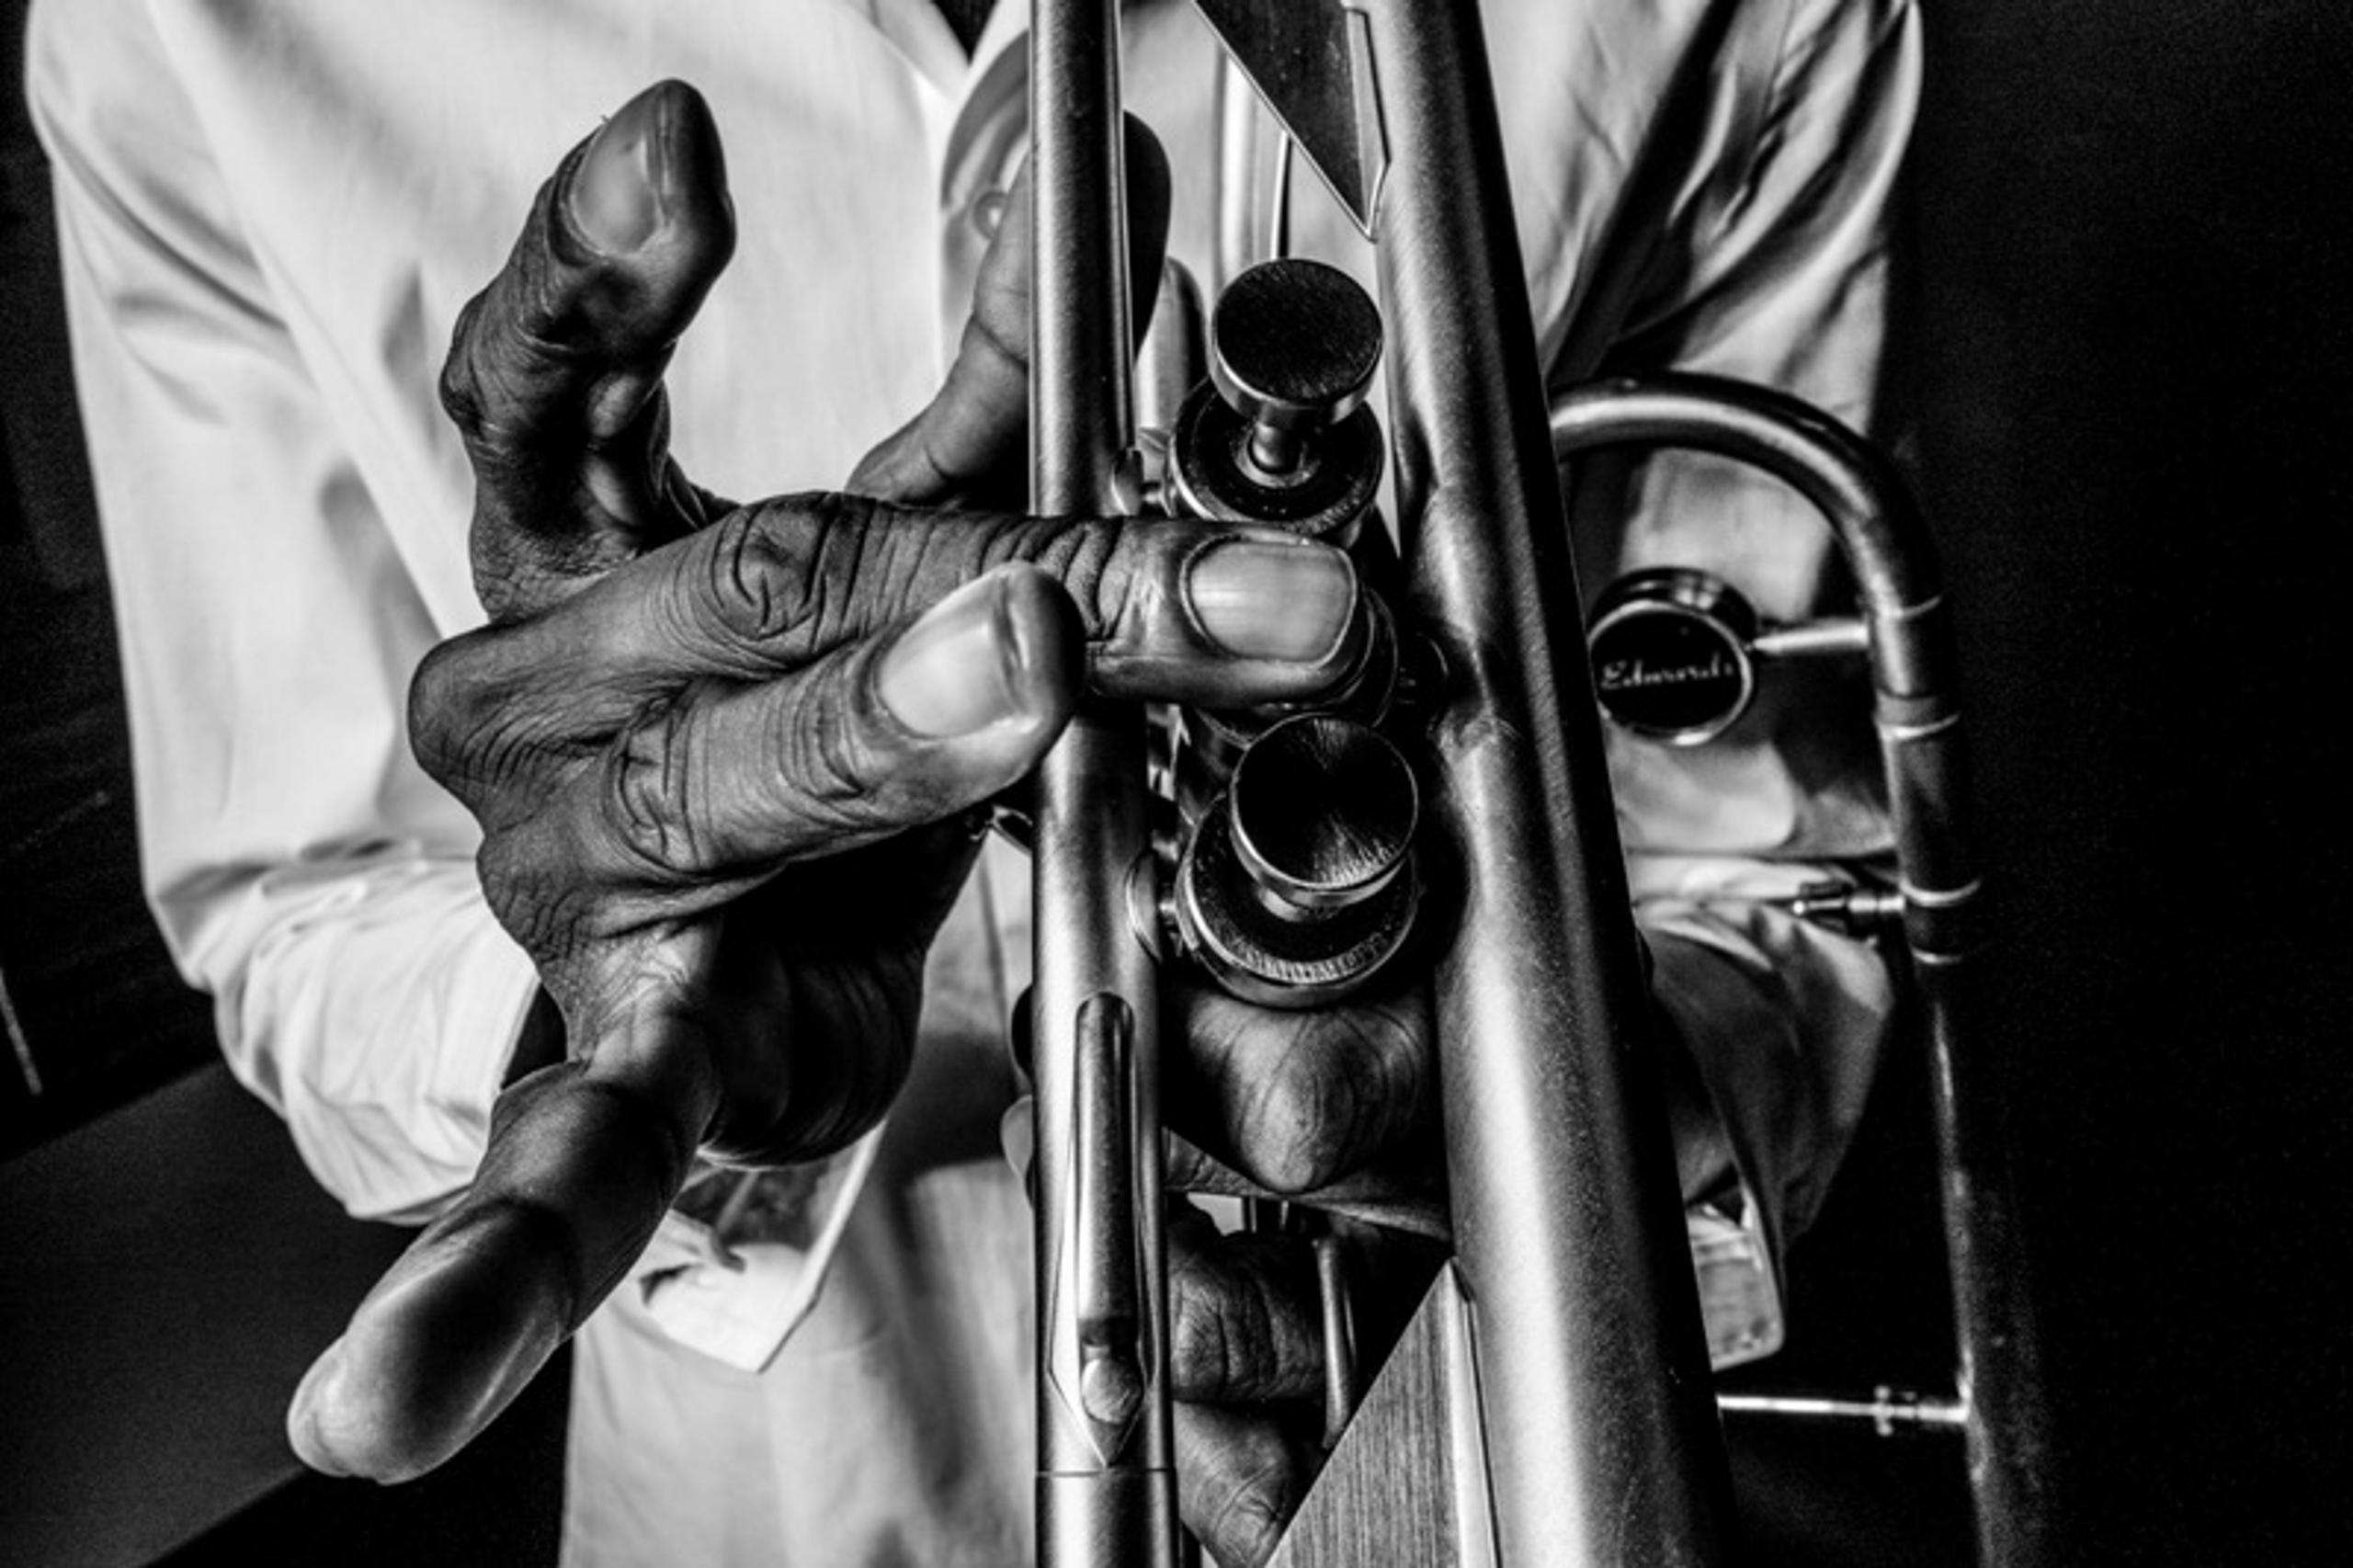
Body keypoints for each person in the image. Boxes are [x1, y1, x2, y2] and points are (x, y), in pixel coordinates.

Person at [28, 0, 1920, 1562]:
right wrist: (588, 967)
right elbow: (291, 898)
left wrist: (1522, 1145)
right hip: (779, 1494)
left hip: (1475, 1453)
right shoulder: (176, 31)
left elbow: (1750, 878)